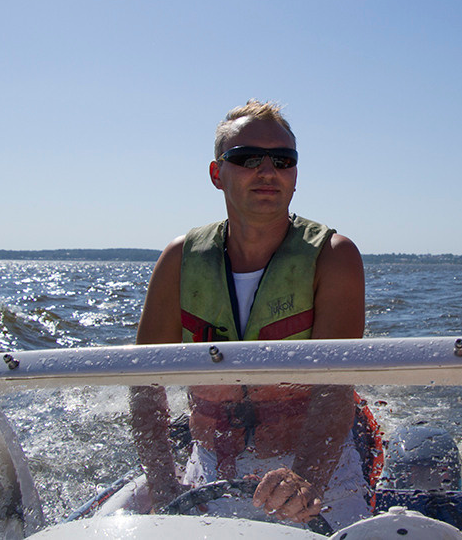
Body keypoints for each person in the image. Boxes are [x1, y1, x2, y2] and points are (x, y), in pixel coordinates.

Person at [130, 100, 371, 529]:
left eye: (283, 160)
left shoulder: (334, 257)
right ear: (216, 174)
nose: (267, 171)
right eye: (246, 159)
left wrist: (305, 479)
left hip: (319, 476)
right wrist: (165, 487)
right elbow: (144, 387)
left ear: (295, 176)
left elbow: (334, 390)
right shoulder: (178, 260)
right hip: (207, 471)